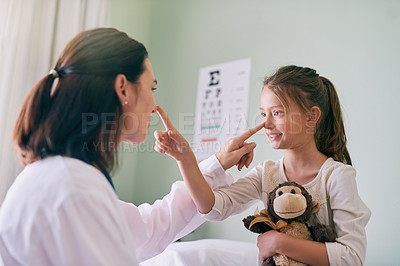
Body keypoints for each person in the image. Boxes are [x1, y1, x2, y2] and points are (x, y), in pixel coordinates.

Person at [0, 28, 256, 265]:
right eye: (151, 87)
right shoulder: (73, 189)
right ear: (123, 88)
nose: (155, 105)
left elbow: (152, 228)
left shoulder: (66, 178)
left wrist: (212, 163)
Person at [155, 65, 371, 265]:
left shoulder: (337, 176)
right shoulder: (266, 173)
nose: (266, 124)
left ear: (311, 116)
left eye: (277, 113)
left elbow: (352, 257)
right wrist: (185, 158)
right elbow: (213, 208)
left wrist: (279, 242)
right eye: (263, 114)